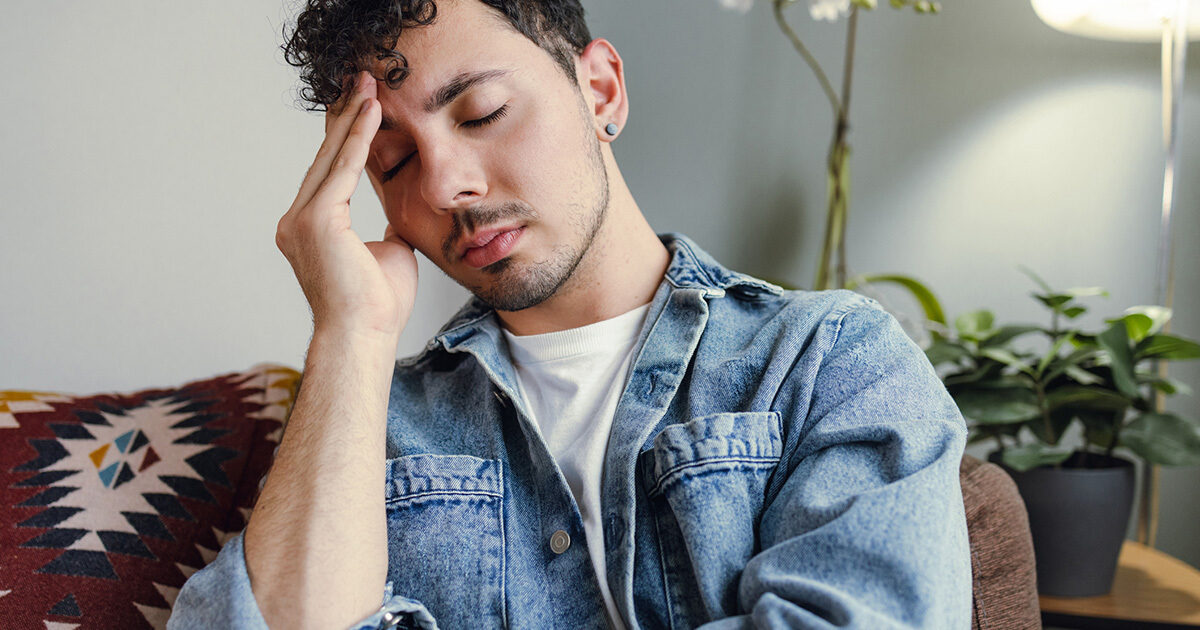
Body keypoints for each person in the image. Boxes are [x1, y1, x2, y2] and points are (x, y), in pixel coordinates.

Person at [168, 0, 971, 628]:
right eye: (395, 162)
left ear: (600, 91)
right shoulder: (369, 423)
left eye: (480, 112)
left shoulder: (823, 358)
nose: (445, 186)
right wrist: (350, 334)